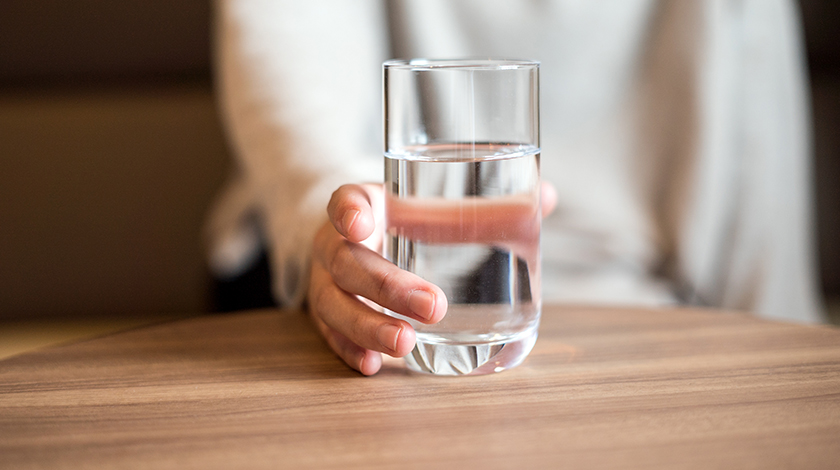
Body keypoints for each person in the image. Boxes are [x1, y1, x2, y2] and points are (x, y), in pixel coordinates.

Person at [205, 0, 824, 375]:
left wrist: (780, 347)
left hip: (638, 301)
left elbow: (755, 165)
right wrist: (334, 226)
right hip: (331, 275)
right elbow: (294, 41)